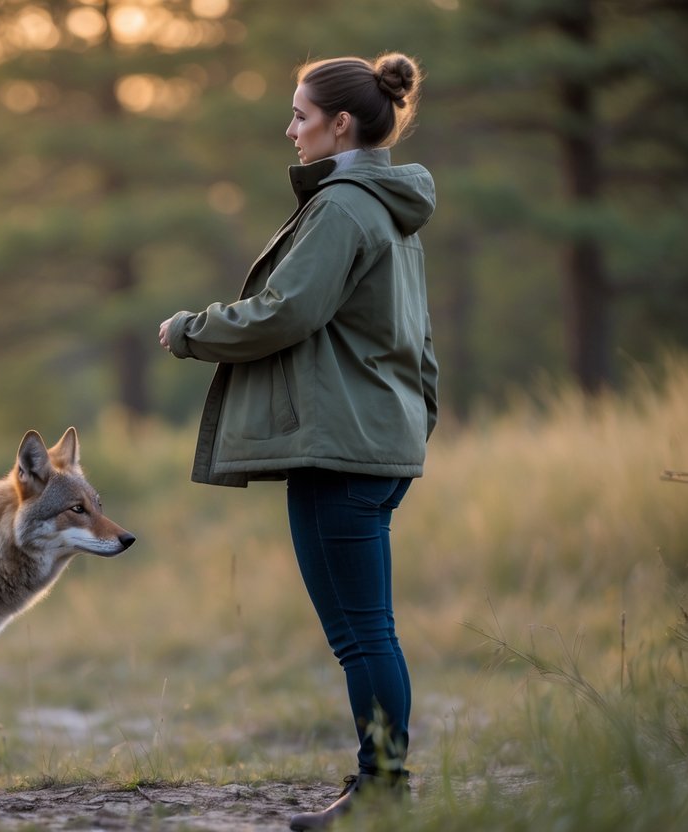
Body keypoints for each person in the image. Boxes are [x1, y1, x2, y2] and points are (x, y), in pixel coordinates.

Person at [158, 53, 437, 830]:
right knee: (369, 627)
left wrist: (189, 330)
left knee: (360, 634)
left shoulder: (343, 206)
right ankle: (384, 783)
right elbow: (416, 338)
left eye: (299, 115)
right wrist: (419, 422)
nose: (289, 130)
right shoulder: (388, 207)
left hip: (339, 449)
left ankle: (381, 789)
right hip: (381, 442)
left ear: (339, 123)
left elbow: (286, 311)